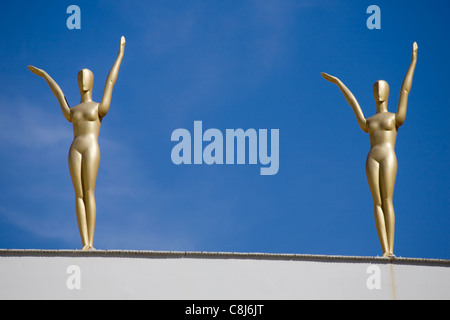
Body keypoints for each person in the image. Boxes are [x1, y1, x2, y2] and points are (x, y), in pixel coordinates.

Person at [28, 36, 126, 250]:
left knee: (89, 191)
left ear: (92, 82)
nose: (83, 81)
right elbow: (58, 94)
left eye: (86, 78)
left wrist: (120, 55)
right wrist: (44, 75)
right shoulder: (72, 111)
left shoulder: (99, 107)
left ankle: (91, 242)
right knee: (79, 194)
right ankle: (85, 243)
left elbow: (110, 81)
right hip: (75, 148)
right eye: (80, 78)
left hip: (91, 146)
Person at [321, 42, 418, 257]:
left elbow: (405, 89)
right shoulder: (369, 121)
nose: (377, 92)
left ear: (387, 93)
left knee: (387, 200)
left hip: (388, 155)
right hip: (372, 157)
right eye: (374, 89)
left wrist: (413, 61)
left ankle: (391, 249)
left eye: (380, 88)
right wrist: (338, 82)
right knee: (376, 202)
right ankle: (384, 250)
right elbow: (352, 103)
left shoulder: (395, 117)